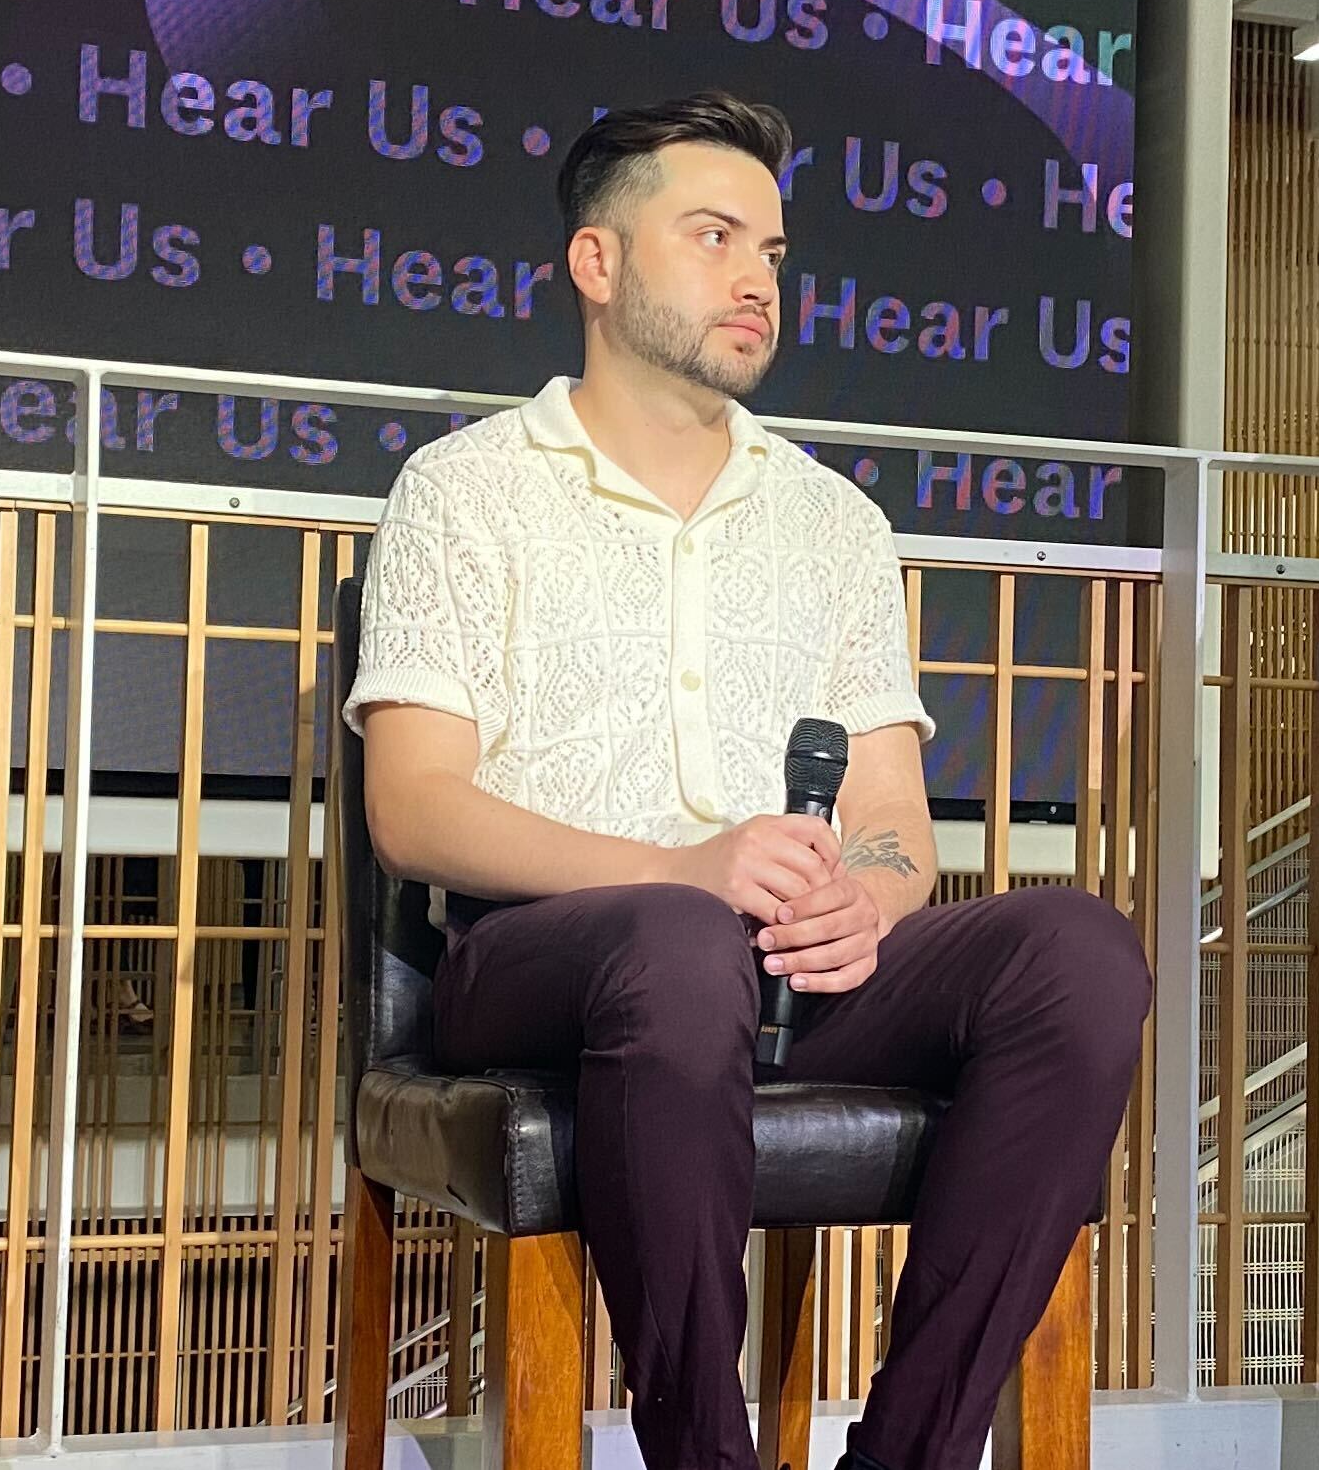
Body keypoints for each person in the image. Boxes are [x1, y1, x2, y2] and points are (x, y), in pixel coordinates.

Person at [349, 92, 1151, 1470]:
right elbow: (412, 807)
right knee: (677, 942)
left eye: (772, 252)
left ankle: (908, 1454)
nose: (757, 280)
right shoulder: (464, 489)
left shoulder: (834, 522)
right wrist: (685, 871)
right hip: (542, 962)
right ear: (597, 263)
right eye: (714, 236)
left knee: (1077, 951)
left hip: (777, 971)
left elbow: (895, 823)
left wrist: (866, 901)